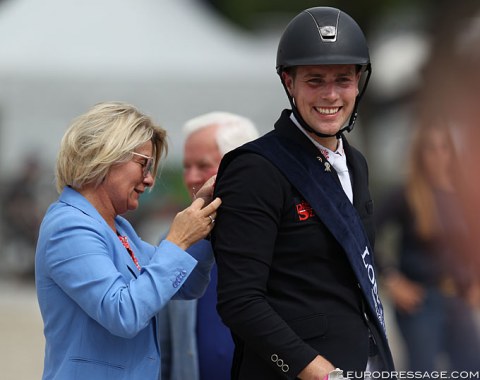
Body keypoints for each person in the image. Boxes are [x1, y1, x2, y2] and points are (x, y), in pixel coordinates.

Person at [211, 7, 394, 380]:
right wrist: (310, 369)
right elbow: (240, 302)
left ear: (359, 82)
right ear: (289, 82)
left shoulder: (356, 163)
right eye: (314, 80)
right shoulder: (256, 169)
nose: (330, 95)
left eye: (342, 79)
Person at [35, 101, 221, 380]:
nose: (149, 180)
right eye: (144, 164)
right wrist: (178, 239)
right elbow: (124, 314)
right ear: (104, 156)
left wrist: (205, 212)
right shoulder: (69, 226)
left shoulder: (119, 229)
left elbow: (187, 286)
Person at [159, 111, 259, 380]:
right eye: (186, 165)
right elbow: (163, 349)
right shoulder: (173, 243)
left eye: (203, 166)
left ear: (241, 167)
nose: (192, 178)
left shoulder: (281, 240)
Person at [375, 117, 480, 370]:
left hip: (458, 298)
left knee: (471, 370)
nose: (439, 155)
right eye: (431, 148)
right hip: (421, 302)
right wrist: (392, 279)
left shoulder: (461, 195)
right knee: (423, 372)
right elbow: (364, 233)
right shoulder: (406, 195)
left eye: (444, 147)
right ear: (419, 154)